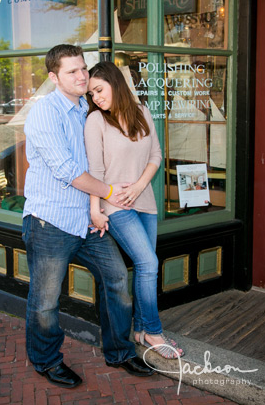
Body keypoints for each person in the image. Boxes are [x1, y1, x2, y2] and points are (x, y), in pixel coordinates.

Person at [22, 44, 154, 389]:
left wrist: (100, 206)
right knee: (46, 301)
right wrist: (111, 194)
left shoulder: (87, 107)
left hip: (88, 220)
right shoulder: (44, 113)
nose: (82, 76)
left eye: (83, 68)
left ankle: (120, 351)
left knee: (116, 281)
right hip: (50, 222)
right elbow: (69, 171)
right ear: (53, 77)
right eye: (72, 71)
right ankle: (46, 360)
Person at [84, 61, 184, 359]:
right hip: (114, 206)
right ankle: (153, 331)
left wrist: (140, 185)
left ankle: (140, 330)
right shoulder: (95, 122)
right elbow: (95, 170)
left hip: (145, 202)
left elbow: (156, 154)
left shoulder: (141, 111)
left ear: (116, 83)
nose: (96, 98)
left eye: (99, 90)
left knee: (145, 266)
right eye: (91, 94)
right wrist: (95, 209)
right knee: (148, 262)